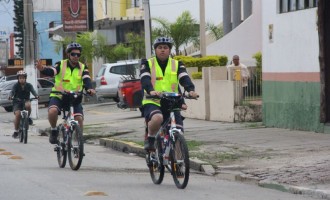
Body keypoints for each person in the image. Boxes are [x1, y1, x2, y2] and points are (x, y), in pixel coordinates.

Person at [140, 36, 198, 150]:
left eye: (165, 47)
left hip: (172, 101)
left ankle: (178, 162)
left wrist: (191, 90)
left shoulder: (177, 64)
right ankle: (150, 138)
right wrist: (151, 90)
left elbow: (184, 77)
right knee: (157, 118)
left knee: (178, 131)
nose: (162, 50)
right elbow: (145, 79)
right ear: (155, 50)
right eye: (160, 47)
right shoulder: (147, 63)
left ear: (169, 50)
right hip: (153, 99)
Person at [35, 42, 96, 144]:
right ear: (68, 54)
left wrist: (90, 89)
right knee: (52, 111)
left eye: (78, 54)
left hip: (75, 97)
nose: (76, 56)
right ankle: (54, 130)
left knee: (79, 119)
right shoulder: (61, 64)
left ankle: (79, 143)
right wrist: (43, 69)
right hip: (59, 95)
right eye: (73, 54)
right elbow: (53, 71)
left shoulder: (82, 67)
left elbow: (87, 80)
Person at [9, 70, 39, 138]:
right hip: (17, 102)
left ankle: (27, 118)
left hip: (26, 100)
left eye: (23, 78)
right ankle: (16, 131)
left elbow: (33, 91)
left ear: (25, 78)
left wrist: (36, 95)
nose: (22, 79)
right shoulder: (15, 85)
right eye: (20, 78)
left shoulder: (29, 85)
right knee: (18, 115)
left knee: (28, 105)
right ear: (18, 79)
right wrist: (10, 96)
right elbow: (12, 91)